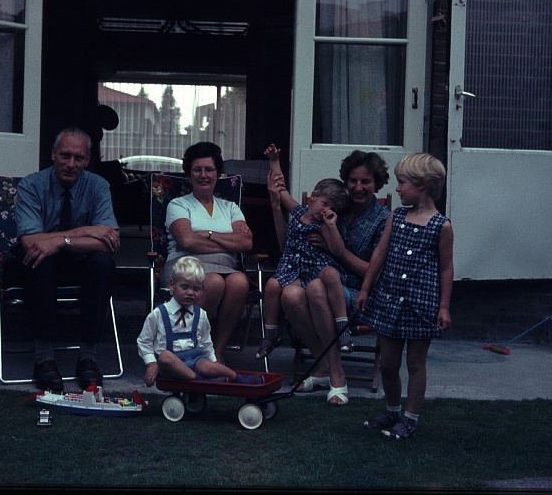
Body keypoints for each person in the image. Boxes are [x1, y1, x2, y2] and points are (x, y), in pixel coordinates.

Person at [268, 148, 391, 405]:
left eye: (366, 181)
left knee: (315, 288)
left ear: (377, 183)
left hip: (359, 294)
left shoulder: (383, 219)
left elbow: (375, 274)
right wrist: (276, 197)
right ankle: (324, 367)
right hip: (315, 280)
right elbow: (290, 238)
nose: (358, 187)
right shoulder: (336, 205)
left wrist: (337, 251)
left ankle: (337, 375)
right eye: (353, 180)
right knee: (290, 295)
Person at [13, 127, 122, 393]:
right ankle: (44, 360)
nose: (71, 164)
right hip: (39, 266)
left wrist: (61, 241)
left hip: (80, 262)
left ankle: (88, 358)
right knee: (40, 259)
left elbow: (109, 242)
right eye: (65, 156)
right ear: (53, 154)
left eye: (79, 158)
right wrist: (87, 231)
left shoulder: (98, 186)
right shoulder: (31, 185)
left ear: (87, 160)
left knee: (102, 263)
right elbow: (31, 242)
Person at [355, 153, 454, 439]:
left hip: (420, 306)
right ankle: (392, 411)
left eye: (402, 183)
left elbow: (446, 268)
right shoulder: (396, 217)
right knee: (388, 364)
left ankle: (410, 419)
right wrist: (365, 288)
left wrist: (444, 307)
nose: (397, 188)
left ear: (421, 184)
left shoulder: (441, 226)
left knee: (415, 364)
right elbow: (379, 254)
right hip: (389, 301)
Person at [161, 142, 254, 364]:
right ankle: (191, 346)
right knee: (213, 282)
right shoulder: (178, 205)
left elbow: (246, 242)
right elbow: (186, 240)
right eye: (197, 169)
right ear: (189, 173)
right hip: (186, 266)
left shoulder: (230, 208)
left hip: (225, 267)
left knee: (240, 282)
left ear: (217, 173)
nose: (203, 175)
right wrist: (229, 243)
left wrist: (208, 235)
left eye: (209, 169)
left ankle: (216, 351)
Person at [256, 144, 350, 360]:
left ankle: (343, 329)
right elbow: (280, 190)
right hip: (293, 268)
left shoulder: (324, 225)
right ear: (313, 197)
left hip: (315, 267)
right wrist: (274, 161)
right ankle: (271, 334)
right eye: (325, 203)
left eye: (333, 209)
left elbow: (337, 251)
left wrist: (332, 226)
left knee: (331, 273)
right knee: (271, 285)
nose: (326, 210)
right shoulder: (298, 211)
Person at [138, 256, 264, 386]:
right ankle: (202, 380)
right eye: (184, 287)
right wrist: (151, 363)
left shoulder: (200, 314)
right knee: (165, 356)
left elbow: (206, 342)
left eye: (196, 289)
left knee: (206, 364)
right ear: (172, 285)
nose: (190, 293)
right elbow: (144, 341)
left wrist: (213, 363)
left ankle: (238, 378)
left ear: (202, 290)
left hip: (195, 358)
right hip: (171, 365)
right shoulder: (159, 313)